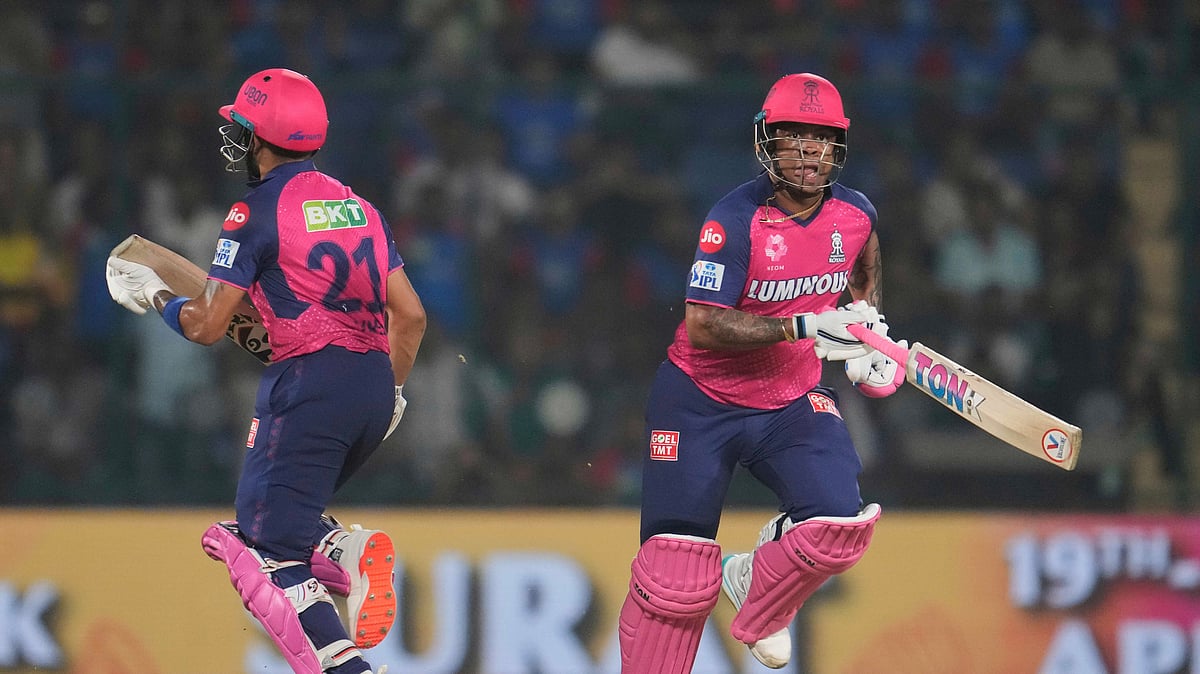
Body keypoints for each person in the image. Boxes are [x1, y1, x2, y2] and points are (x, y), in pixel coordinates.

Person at [105, 68, 426, 674]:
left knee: (257, 548)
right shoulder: (361, 208)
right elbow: (409, 316)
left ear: (260, 137)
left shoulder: (254, 212)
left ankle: (347, 667)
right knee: (283, 522)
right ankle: (346, 549)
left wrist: (154, 296)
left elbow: (206, 325)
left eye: (241, 127)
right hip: (373, 384)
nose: (234, 137)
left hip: (307, 386)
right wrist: (393, 394)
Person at [617, 73, 901, 673]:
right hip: (700, 401)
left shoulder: (856, 215)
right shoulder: (733, 220)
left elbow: (863, 275)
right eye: (792, 137)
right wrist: (803, 327)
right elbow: (703, 323)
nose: (806, 151)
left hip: (792, 400)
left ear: (838, 147)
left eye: (820, 139)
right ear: (766, 142)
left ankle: (755, 586)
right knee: (676, 574)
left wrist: (869, 331)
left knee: (838, 526)